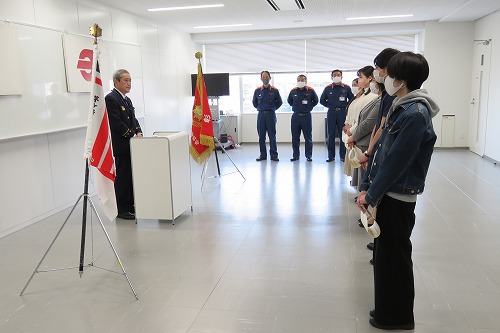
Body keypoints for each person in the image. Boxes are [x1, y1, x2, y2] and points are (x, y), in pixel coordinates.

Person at [357, 52, 440, 330]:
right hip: (388, 193)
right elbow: (382, 152)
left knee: (395, 258)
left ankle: (397, 316)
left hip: (398, 195)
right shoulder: (402, 105)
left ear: (401, 80)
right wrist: (368, 186)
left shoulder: (415, 113)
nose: (385, 77)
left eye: (389, 73)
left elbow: (396, 163)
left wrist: (370, 195)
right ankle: (387, 309)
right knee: (385, 255)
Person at [105, 69, 143, 220]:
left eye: (130, 80)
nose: (129, 83)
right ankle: (121, 209)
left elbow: (134, 119)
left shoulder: (127, 99)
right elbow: (116, 123)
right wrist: (131, 135)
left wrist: (139, 131)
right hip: (122, 145)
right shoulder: (111, 98)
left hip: (132, 145)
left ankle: (131, 204)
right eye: (125, 80)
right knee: (123, 177)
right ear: (116, 82)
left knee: (131, 176)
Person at [320, 70, 354, 162]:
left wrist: (346, 107)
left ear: (342, 76)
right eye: (334, 75)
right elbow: (322, 100)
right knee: (330, 135)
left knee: (342, 134)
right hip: (331, 113)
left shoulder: (346, 88)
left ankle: (342, 156)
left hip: (342, 113)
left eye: (338, 75)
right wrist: (330, 106)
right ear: (331, 77)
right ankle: (331, 156)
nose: (336, 76)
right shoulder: (327, 88)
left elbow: (352, 100)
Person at [252, 71, 283, 162]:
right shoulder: (257, 90)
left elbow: (280, 102)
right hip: (261, 115)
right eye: (263, 77)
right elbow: (254, 103)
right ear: (261, 78)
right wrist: (261, 108)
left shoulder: (274, 90)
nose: (265, 78)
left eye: (266, 77)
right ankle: (263, 155)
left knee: (272, 136)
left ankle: (274, 155)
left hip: (270, 115)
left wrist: (272, 108)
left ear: (270, 78)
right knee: (261, 136)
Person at [287, 74, 318, 162]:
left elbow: (315, 101)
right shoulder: (293, 91)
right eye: (299, 80)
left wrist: (309, 107)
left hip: (306, 116)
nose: (300, 82)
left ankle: (308, 155)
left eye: (302, 80)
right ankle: (295, 155)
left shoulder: (311, 91)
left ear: (306, 81)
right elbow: (289, 101)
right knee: (295, 137)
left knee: (308, 137)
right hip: (296, 116)